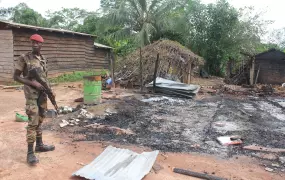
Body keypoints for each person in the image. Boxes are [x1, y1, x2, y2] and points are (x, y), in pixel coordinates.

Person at [14, 34, 55, 165]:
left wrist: (49, 91)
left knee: (40, 120)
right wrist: (33, 83)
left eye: (37, 43)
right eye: (33, 42)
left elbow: (44, 78)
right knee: (33, 121)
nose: (35, 45)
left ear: (41, 45)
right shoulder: (24, 58)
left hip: (42, 95)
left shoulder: (43, 59)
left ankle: (40, 145)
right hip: (32, 95)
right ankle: (30, 153)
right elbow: (16, 77)